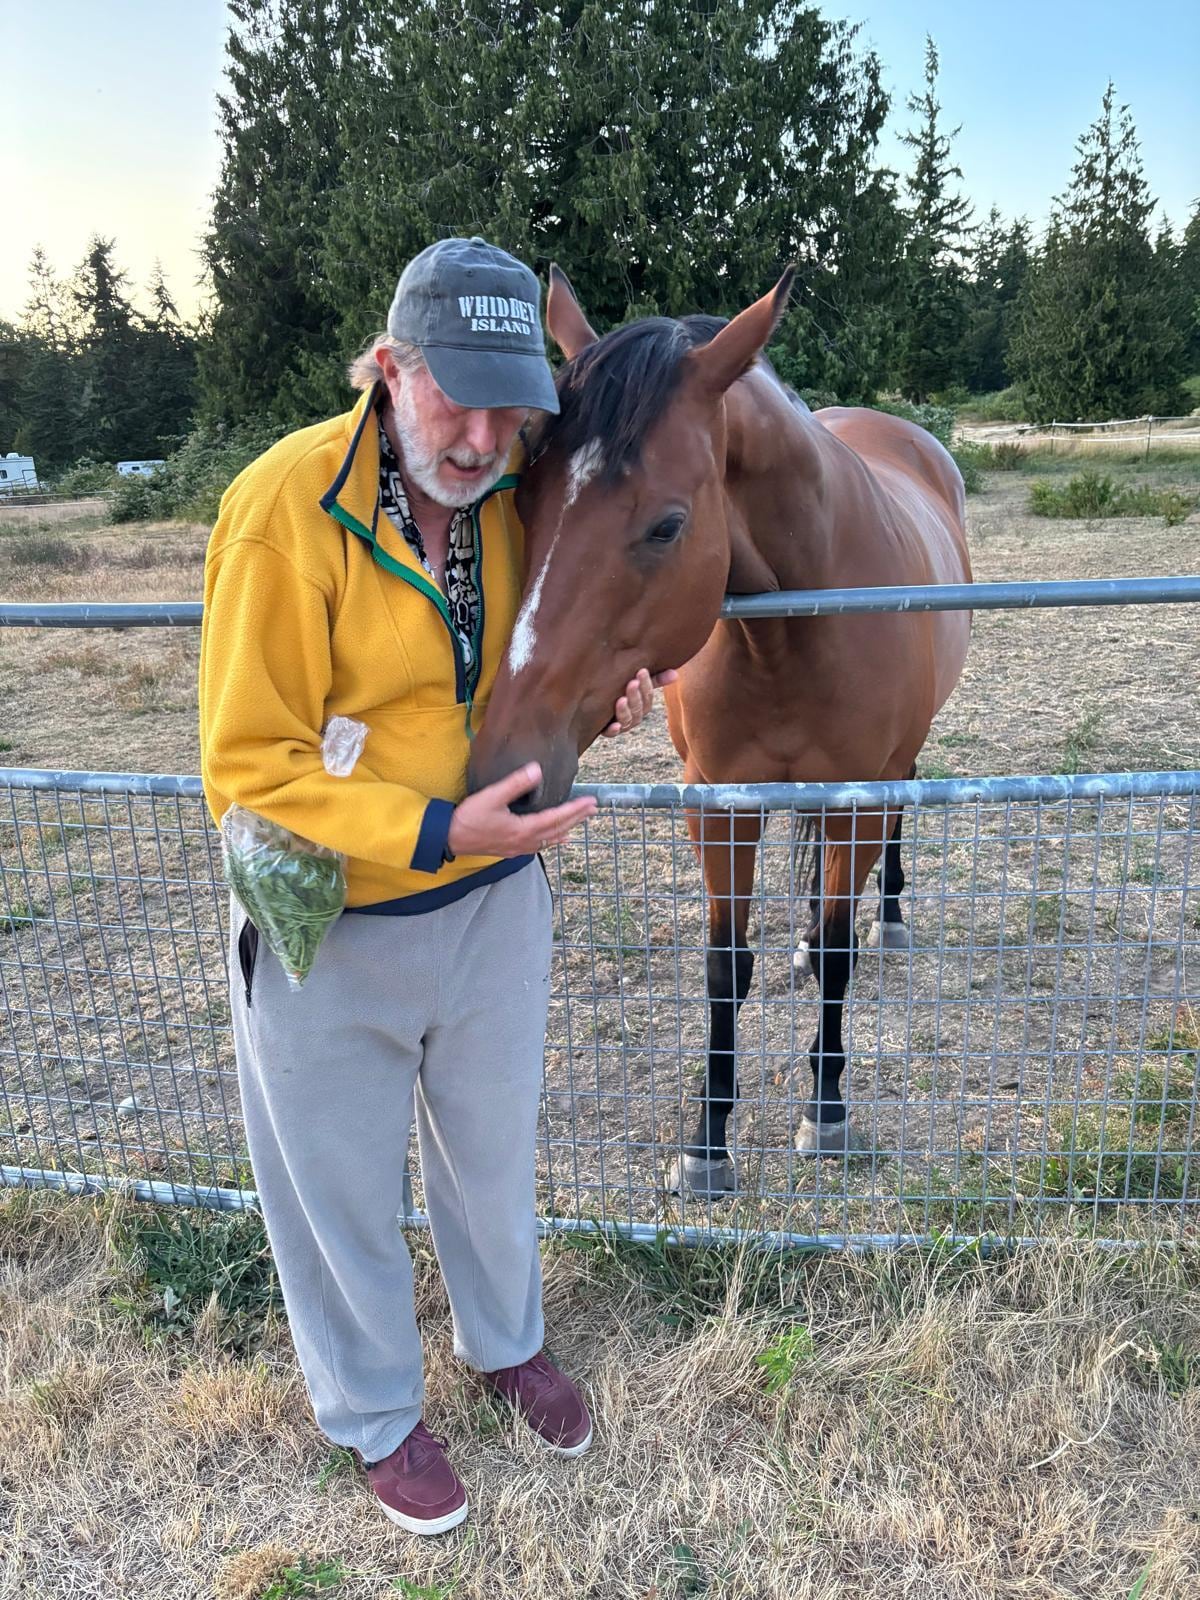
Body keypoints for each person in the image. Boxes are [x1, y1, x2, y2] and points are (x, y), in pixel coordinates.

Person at [198, 238, 674, 1536]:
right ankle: (374, 1414)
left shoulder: (518, 499)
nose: (479, 439)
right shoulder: (282, 512)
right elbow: (250, 765)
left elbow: (531, 668)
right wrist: (433, 827)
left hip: (493, 905)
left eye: (507, 410)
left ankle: (504, 1343)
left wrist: (604, 706)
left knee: (491, 1156)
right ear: (388, 368)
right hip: (330, 921)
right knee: (338, 1190)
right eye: (454, 401)